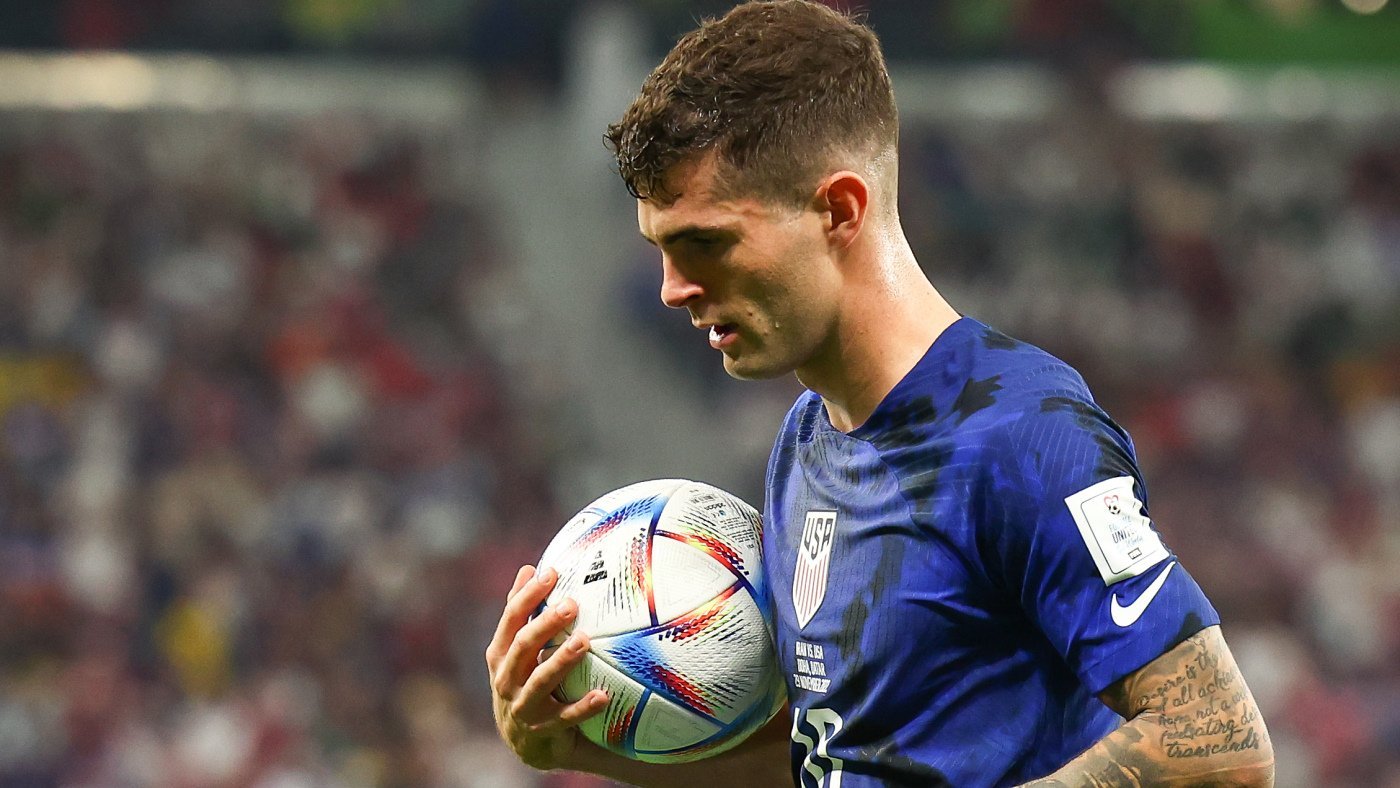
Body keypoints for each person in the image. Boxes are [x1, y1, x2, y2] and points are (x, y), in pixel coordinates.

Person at [486, 2, 1276, 785]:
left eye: (707, 243)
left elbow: (1220, 744)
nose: (672, 289)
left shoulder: (1018, 436)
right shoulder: (807, 439)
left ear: (839, 210)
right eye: (661, 248)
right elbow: (834, 758)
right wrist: (576, 752)